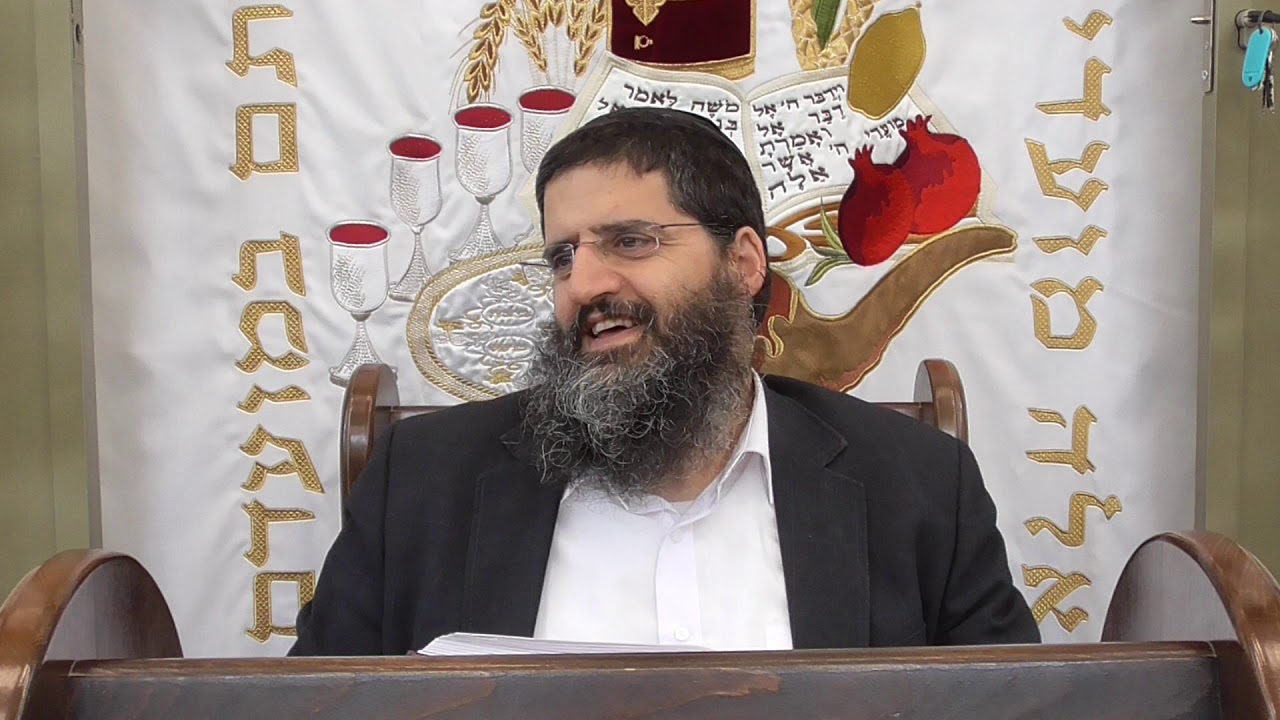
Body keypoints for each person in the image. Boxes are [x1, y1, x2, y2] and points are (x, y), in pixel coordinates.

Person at [289, 107, 1039, 656]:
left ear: (744, 264)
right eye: (562, 257)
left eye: (631, 241)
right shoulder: (421, 485)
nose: (584, 285)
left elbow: (1017, 705)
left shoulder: (917, 487)